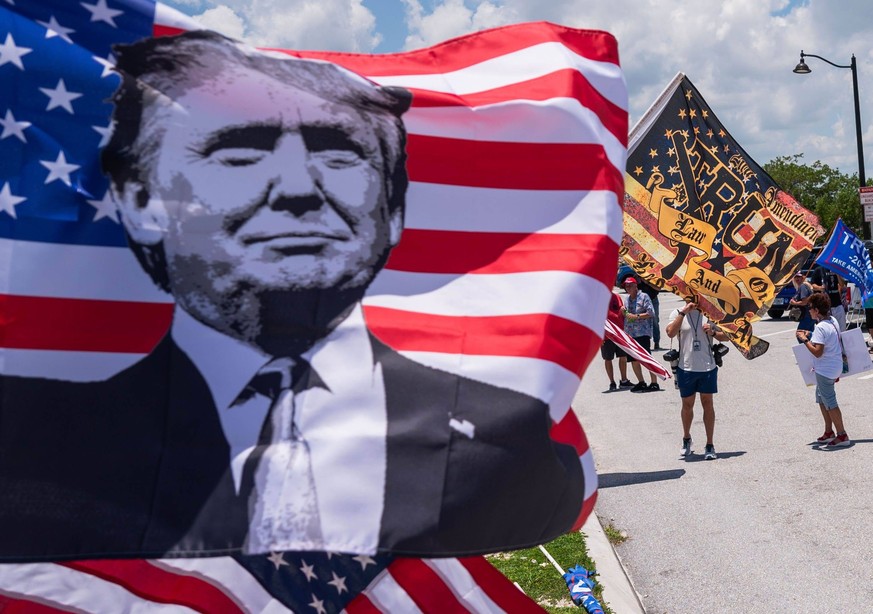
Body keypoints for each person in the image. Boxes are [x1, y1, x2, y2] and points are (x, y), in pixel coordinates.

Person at [0, 31, 585, 560]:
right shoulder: (34, 455)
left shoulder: (505, 438)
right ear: (139, 201)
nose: (300, 189)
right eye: (240, 153)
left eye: (339, 153)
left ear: (394, 209)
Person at [665, 298, 729, 460]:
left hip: (707, 366)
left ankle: (709, 444)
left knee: (708, 403)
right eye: (687, 293)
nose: (691, 297)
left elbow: (727, 337)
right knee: (687, 404)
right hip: (686, 367)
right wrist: (683, 312)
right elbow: (670, 332)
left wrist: (713, 332)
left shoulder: (711, 313)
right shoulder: (677, 312)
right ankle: (686, 439)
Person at [795, 293, 851, 448]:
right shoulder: (831, 320)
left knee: (830, 401)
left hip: (825, 369)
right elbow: (827, 339)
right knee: (821, 397)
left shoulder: (820, 327)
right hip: (833, 366)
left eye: (810, 308)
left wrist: (804, 339)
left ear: (817, 310)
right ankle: (829, 432)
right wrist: (810, 335)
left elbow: (818, 352)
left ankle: (842, 434)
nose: (809, 311)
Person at [622, 277, 659, 392]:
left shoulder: (644, 296)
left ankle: (654, 383)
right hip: (630, 333)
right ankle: (641, 382)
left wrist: (637, 316)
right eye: (626, 286)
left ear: (635, 286)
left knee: (646, 357)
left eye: (630, 285)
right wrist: (623, 312)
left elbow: (651, 312)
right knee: (634, 359)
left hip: (642, 332)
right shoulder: (627, 299)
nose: (628, 288)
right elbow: (627, 314)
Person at [602, 290, 630, 391]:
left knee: (623, 356)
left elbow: (622, 310)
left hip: (619, 331)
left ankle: (624, 380)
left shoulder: (616, 296)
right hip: (606, 333)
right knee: (608, 358)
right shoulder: (597, 298)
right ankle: (612, 382)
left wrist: (626, 313)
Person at [810, 265, 846, 331]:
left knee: (842, 328)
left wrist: (837, 273)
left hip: (837, 303)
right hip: (825, 306)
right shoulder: (819, 270)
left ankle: (842, 340)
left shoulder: (836, 268)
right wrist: (820, 288)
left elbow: (842, 284)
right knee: (828, 328)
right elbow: (812, 284)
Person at [788, 271, 814, 340]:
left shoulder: (803, 286)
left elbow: (804, 302)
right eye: (795, 277)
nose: (797, 279)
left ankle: (808, 349)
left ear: (803, 277)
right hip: (810, 315)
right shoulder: (804, 286)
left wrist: (794, 303)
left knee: (800, 334)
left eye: (799, 277)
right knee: (809, 334)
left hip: (807, 315)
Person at [638, 279, 662, 350]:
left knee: (655, 321)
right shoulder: (638, 276)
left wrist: (647, 282)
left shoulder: (652, 276)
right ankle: (644, 343)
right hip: (642, 301)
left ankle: (656, 342)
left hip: (653, 300)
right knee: (642, 321)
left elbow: (658, 288)